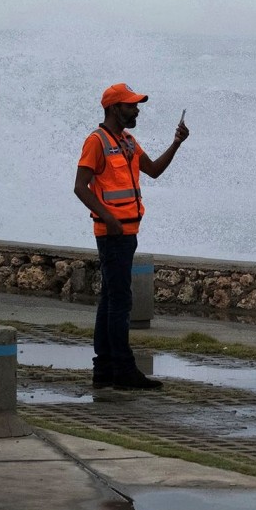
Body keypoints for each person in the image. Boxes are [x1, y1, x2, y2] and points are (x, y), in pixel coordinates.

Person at [73, 82, 189, 390]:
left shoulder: (127, 141)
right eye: (131, 105)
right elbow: (80, 186)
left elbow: (152, 170)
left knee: (111, 299)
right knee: (120, 300)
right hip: (112, 233)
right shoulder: (96, 142)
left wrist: (176, 143)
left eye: (136, 105)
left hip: (127, 231)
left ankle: (104, 370)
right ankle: (122, 370)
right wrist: (108, 217)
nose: (137, 109)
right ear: (114, 108)